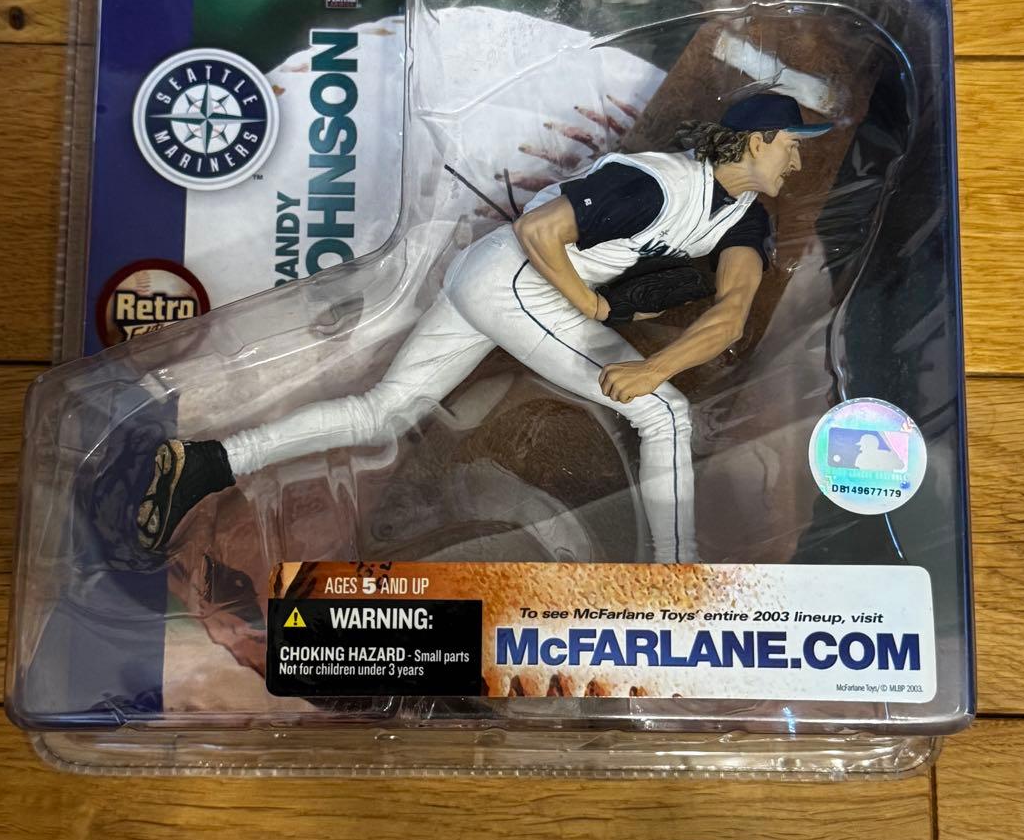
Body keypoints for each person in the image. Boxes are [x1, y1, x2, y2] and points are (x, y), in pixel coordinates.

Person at [136, 93, 831, 562]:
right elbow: (539, 229)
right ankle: (677, 583)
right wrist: (595, 312)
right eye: (793, 145)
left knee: (383, 413)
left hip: (494, 280)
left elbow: (732, 312)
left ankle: (209, 462)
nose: (799, 160)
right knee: (666, 415)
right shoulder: (656, 184)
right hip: (516, 278)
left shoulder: (743, 218)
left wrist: (652, 359)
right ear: (757, 139)